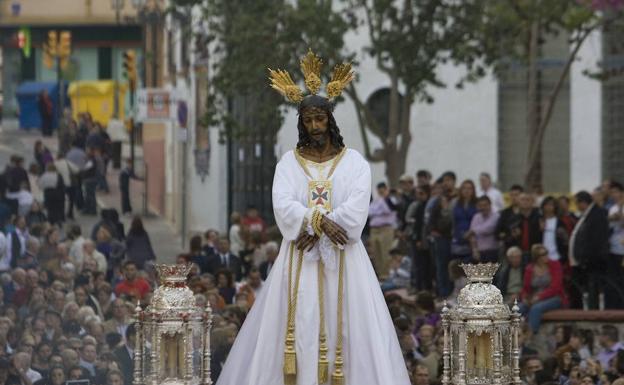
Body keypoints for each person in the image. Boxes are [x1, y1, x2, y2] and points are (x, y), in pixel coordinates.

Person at [216, 54, 410, 385]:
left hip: (345, 259)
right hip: (299, 258)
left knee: (350, 328)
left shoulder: (356, 164)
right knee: (299, 323)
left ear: (330, 119)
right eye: (308, 121)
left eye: (320, 119)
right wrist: (317, 223)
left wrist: (318, 226)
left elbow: (356, 207)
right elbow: (283, 203)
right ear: (301, 123)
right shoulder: (288, 164)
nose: (315, 126)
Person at [569, 191, 609, 309]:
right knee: (589, 288)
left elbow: (597, 239)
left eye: (577, 203)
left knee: (594, 287)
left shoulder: (597, 214)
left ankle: (593, 310)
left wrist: (586, 258)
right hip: (587, 260)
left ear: (583, 202)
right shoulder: (588, 214)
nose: (577, 206)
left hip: (593, 261)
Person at [520, 244, 566, 333]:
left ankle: (529, 337)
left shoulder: (555, 265)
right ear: (536, 257)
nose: (546, 256)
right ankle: (511, 336)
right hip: (534, 298)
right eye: (543, 254)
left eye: (546, 253)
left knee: (536, 309)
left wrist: (539, 297)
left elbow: (556, 287)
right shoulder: (530, 269)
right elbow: (525, 288)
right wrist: (525, 298)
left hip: (554, 297)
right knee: (519, 308)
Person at [368, 181, 398, 278]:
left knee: (385, 252)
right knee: (376, 253)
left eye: (383, 190)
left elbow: (388, 210)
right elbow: (370, 212)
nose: (381, 192)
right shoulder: (376, 201)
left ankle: (387, 274)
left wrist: (384, 200)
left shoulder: (391, 199)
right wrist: (379, 211)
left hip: (386, 228)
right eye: (379, 190)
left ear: (386, 189)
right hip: (374, 229)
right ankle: (381, 274)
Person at [467, 195, 500, 263]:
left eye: (485, 205)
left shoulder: (496, 216)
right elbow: (472, 236)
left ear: (490, 205)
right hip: (478, 253)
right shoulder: (476, 217)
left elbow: (488, 229)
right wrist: (474, 250)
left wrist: (474, 230)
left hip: (492, 252)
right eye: (480, 205)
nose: (483, 207)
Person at [607, 182, 624, 308]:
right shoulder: (612, 208)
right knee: (616, 278)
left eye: (616, 192)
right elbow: (609, 226)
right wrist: (612, 219)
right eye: (612, 192)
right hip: (615, 248)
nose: (614, 195)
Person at [451, 179, 477, 261]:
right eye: (464, 188)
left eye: (469, 188)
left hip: (472, 239)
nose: (467, 191)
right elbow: (453, 221)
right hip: (458, 237)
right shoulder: (455, 203)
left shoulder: (477, 204)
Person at [539, 196, 569, 263]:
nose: (549, 207)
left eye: (551, 205)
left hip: (556, 256)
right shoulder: (539, 221)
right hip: (540, 257)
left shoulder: (559, 222)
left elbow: (565, 240)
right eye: (546, 204)